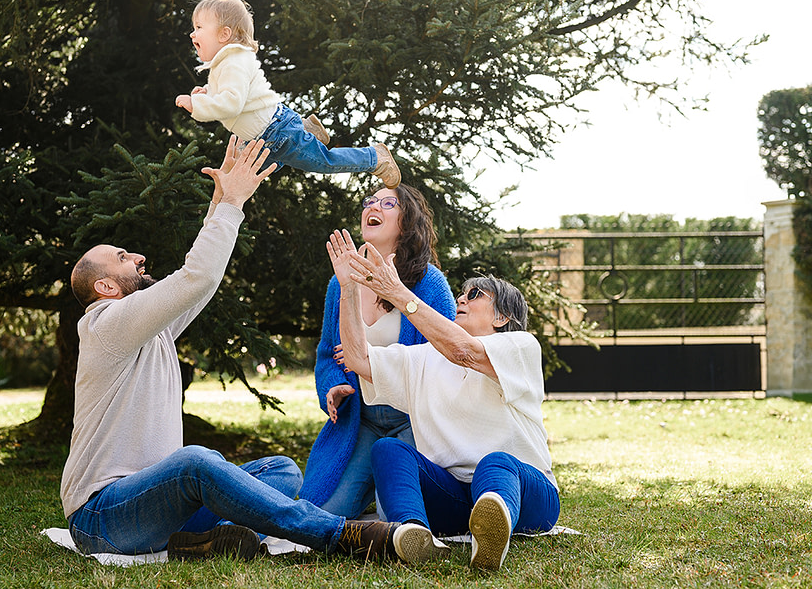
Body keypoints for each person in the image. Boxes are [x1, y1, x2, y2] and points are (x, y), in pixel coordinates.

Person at [59, 137, 442, 563]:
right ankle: (339, 536)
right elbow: (195, 278)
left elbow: (194, 288)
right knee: (196, 462)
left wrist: (221, 197)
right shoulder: (106, 324)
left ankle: (209, 540)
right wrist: (233, 203)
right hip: (103, 517)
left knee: (279, 470)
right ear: (106, 287)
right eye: (123, 257)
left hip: (158, 509)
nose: (139, 256)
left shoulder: (147, 332)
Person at [327, 229, 561, 570]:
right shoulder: (423, 358)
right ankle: (413, 534)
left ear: (501, 318)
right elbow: (359, 359)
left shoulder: (520, 346)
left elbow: (463, 350)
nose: (461, 299)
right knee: (388, 449)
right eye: (461, 293)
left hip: (527, 492)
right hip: (455, 498)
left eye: (475, 294)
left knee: (496, 462)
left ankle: (495, 526)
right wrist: (347, 289)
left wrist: (396, 291)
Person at [298, 184, 457, 518]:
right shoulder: (341, 280)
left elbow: (443, 359)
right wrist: (333, 387)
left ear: (407, 222)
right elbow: (328, 355)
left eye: (388, 203)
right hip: (362, 420)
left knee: (397, 517)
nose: (374, 206)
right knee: (321, 513)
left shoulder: (431, 284)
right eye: (369, 201)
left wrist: (369, 360)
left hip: (414, 420)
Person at [174, 0, 401, 188]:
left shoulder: (233, 62)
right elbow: (230, 94)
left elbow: (232, 102)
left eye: (199, 27)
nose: (192, 34)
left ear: (224, 34)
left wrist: (198, 105)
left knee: (325, 162)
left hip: (276, 134)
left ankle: (374, 157)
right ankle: (306, 130)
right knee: (242, 177)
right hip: (266, 134)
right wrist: (207, 93)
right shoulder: (227, 62)